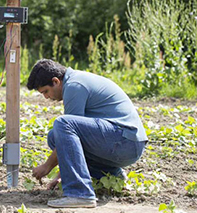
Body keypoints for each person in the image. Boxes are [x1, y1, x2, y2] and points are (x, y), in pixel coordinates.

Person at [27, 59, 147, 208]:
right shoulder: (75, 80)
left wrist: (46, 167)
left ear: (56, 81)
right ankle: (111, 174)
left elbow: (68, 129)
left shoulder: (74, 86)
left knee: (63, 124)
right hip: (124, 142)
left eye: (45, 91)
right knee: (54, 136)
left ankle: (79, 193)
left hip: (126, 141)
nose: (46, 97)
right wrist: (62, 176)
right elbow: (72, 141)